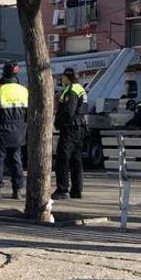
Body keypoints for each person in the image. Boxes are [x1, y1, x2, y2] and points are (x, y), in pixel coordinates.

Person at [0, 61, 28, 200]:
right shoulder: (23, 89)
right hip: (19, 129)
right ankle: (17, 190)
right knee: (16, 159)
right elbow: (28, 112)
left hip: (1, 127)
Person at [53, 68, 88, 200]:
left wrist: (58, 122)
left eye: (63, 77)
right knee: (76, 160)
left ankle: (62, 190)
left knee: (62, 159)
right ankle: (77, 190)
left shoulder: (71, 90)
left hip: (70, 129)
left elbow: (68, 111)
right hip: (80, 128)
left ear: (67, 77)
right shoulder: (80, 89)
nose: (62, 79)